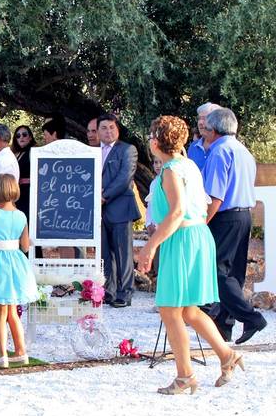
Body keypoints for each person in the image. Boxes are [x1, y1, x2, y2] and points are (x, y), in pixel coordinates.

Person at [138, 116, 245, 393]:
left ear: (156, 140)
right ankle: (226, 354)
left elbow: (175, 213)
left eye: (151, 134)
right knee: (188, 310)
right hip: (197, 236)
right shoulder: (189, 165)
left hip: (183, 238)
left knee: (170, 309)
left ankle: (185, 376)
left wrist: (150, 246)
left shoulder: (172, 171)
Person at [201, 107, 267, 344]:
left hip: (225, 216)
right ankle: (224, 327)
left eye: (206, 128)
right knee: (234, 273)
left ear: (215, 129)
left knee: (217, 273)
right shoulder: (243, 150)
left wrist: (202, 222)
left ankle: (251, 318)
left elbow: (215, 195)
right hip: (244, 215)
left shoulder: (219, 152)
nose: (204, 132)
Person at [0, 174, 38, 368]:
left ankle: (2, 354)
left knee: (0, 313)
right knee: (12, 311)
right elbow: (26, 246)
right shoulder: (21, 215)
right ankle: (21, 351)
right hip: (15, 263)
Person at [98, 113, 140, 307]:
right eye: (104, 128)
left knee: (123, 252)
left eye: (112, 127)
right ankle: (109, 290)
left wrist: (104, 196)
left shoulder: (127, 150)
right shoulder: (93, 152)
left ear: (118, 129)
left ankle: (125, 292)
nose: (108, 131)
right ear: (98, 131)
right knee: (105, 253)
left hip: (120, 207)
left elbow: (125, 178)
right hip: (100, 211)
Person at [187, 102, 221, 171]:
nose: (200, 122)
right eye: (199, 118)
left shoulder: (223, 147)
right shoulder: (193, 147)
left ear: (216, 121)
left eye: (205, 118)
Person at [13, 124, 37, 219]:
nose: (21, 137)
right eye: (18, 136)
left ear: (30, 137)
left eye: (24, 134)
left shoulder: (34, 152)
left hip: (29, 193)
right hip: (17, 193)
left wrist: (28, 180)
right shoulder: (16, 154)